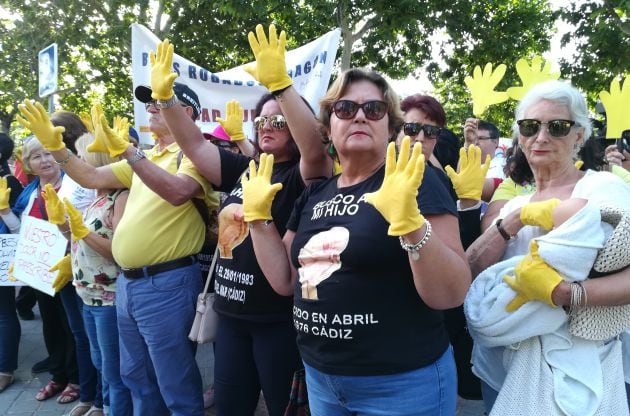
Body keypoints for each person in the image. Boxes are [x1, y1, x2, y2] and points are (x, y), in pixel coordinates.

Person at [243, 68, 470, 415]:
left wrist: (410, 224)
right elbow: (284, 281)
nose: (360, 116)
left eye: (374, 109)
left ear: (391, 127)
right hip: (321, 379)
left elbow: (451, 294)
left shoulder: (416, 180)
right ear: (328, 128)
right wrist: (259, 220)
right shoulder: (315, 193)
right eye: (346, 109)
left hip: (400, 384)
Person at [152, 25, 332, 415]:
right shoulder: (244, 168)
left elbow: (315, 150)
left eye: (279, 121)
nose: (267, 126)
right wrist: (166, 100)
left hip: (277, 321)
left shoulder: (303, 176)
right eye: (262, 121)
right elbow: (196, 145)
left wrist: (283, 89)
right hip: (230, 318)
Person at [17, 91, 216, 415]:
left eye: (163, 101)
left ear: (187, 113)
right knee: (135, 375)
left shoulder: (193, 154)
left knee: (173, 380)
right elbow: (91, 176)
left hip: (166, 281)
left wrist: (129, 153)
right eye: (150, 101)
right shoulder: (147, 156)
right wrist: (57, 148)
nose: (150, 107)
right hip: (130, 284)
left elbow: (179, 192)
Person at [465, 79, 630, 414]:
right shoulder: (514, 206)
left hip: (583, 366)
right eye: (530, 126)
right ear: (518, 136)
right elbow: (472, 267)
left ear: (579, 135)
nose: (541, 137)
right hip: (502, 367)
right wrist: (515, 221)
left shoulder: (605, 187)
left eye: (557, 127)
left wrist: (564, 293)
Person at [399, 94, 487, 400]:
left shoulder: (435, 179)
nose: (421, 137)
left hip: (424, 329)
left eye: (431, 131)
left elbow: (459, 255)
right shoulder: (373, 174)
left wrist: (469, 204)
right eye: (411, 129)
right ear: (396, 128)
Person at [46, 130, 132, 416]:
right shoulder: (96, 196)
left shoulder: (121, 197)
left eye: (81, 158)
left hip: (109, 297)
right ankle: (106, 406)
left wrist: (82, 233)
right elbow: (78, 240)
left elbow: (119, 252)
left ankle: (114, 409)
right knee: (99, 361)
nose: (76, 166)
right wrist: (61, 224)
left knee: (114, 369)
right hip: (88, 295)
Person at [0, 136, 83, 404]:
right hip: (40, 272)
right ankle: (58, 376)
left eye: (49, 153)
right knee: (50, 325)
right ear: (29, 164)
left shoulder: (76, 185)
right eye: (37, 156)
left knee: (72, 326)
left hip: (70, 270)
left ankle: (77, 380)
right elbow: (18, 229)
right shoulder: (29, 191)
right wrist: (4, 211)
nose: (45, 160)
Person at [0, 132, 23, 393]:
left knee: (4, 313)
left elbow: (20, 228)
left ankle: (5, 370)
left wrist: (4, 212)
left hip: (2, 253)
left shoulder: (10, 183)